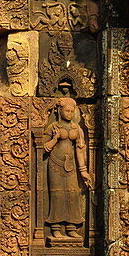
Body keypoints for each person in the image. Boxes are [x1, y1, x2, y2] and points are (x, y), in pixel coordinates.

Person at [42, 96, 92, 241]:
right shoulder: (53, 127)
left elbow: (79, 150)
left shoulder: (77, 128)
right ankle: (55, 227)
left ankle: (71, 227)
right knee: (57, 195)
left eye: (72, 111)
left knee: (73, 194)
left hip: (72, 167)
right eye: (67, 111)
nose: (70, 114)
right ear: (59, 111)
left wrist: (83, 171)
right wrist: (55, 139)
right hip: (55, 165)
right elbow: (44, 149)